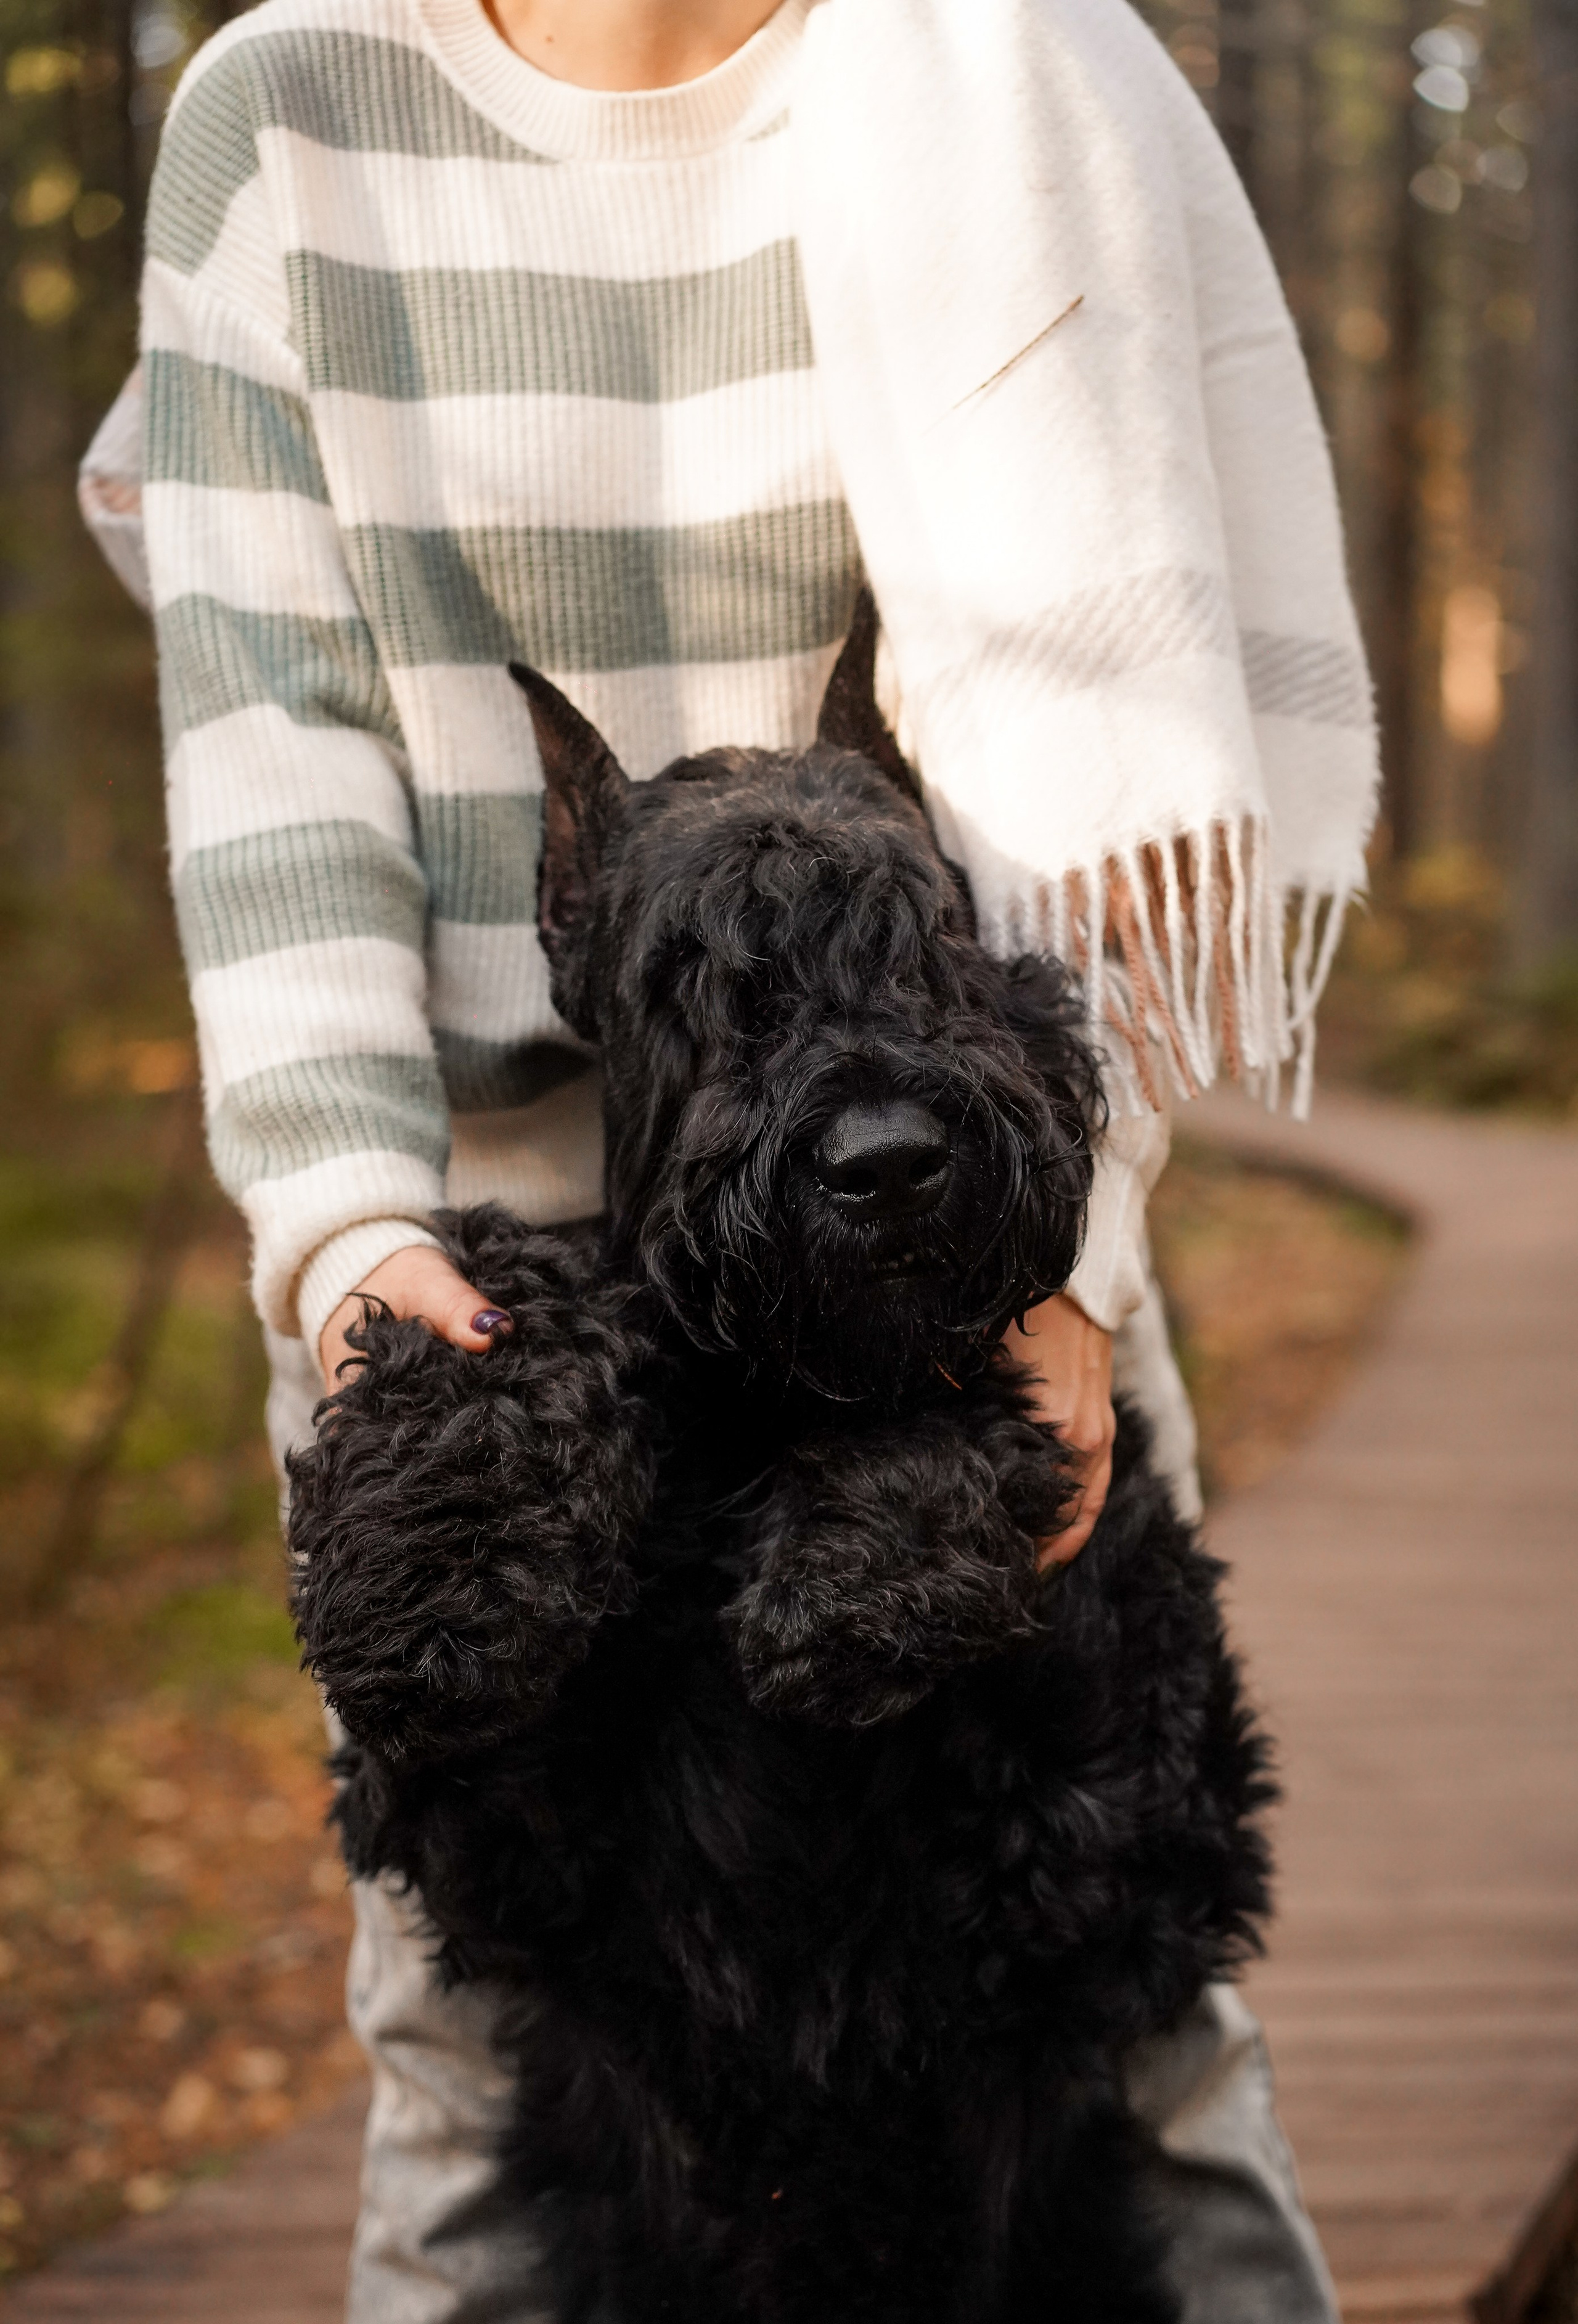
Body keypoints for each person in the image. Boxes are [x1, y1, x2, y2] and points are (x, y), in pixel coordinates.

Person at [81, 0, 1376, 2314]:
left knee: (1138, 2048)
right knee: (480, 2082)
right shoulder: (281, 113)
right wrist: (351, 1241)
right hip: (479, 1266)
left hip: (966, 1252)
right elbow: (269, 731)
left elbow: (1109, 706)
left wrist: (1079, 1250)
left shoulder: (1014, 68)